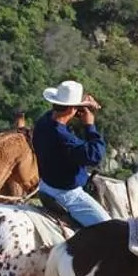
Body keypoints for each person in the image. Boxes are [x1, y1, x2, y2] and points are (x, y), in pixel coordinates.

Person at [32, 80, 108, 227]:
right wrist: (90, 125)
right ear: (72, 109)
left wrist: (79, 105)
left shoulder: (43, 122)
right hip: (66, 194)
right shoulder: (64, 138)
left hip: (46, 185)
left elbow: (58, 114)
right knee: (108, 228)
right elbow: (95, 155)